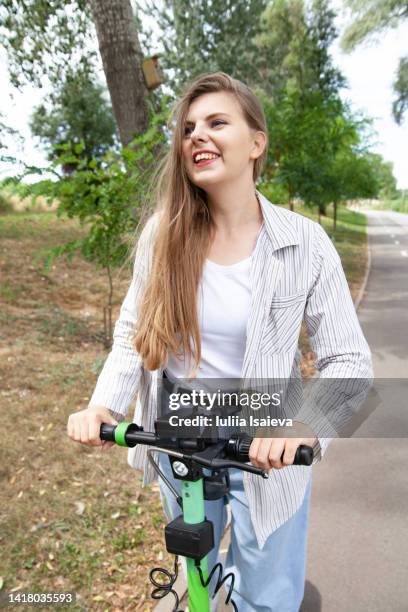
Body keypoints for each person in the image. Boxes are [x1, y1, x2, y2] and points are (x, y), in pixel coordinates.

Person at [67, 72, 373, 611]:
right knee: (201, 579)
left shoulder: (305, 243)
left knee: (267, 592)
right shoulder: (164, 235)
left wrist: (303, 426)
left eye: (216, 122)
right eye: (188, 128)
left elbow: (348, 360)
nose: (197, 136)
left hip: (266, 441)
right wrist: (102, 406)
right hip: (180, 435)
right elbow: (133, 337)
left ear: (257, 143)